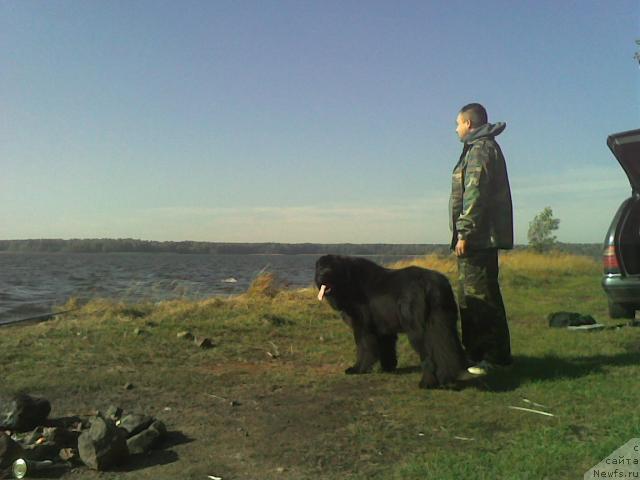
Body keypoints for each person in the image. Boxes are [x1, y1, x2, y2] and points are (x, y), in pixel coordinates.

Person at [449, 103, 514, 375]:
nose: (455, 129)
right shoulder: (475, 149)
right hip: (476, 236)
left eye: (457, 123)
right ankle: (474, 353)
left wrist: (465, 232)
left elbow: (475, 194)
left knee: (482, 296)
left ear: (468, 123)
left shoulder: (481, 151)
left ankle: (494, 357)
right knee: (469, 297)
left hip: (479, 238)